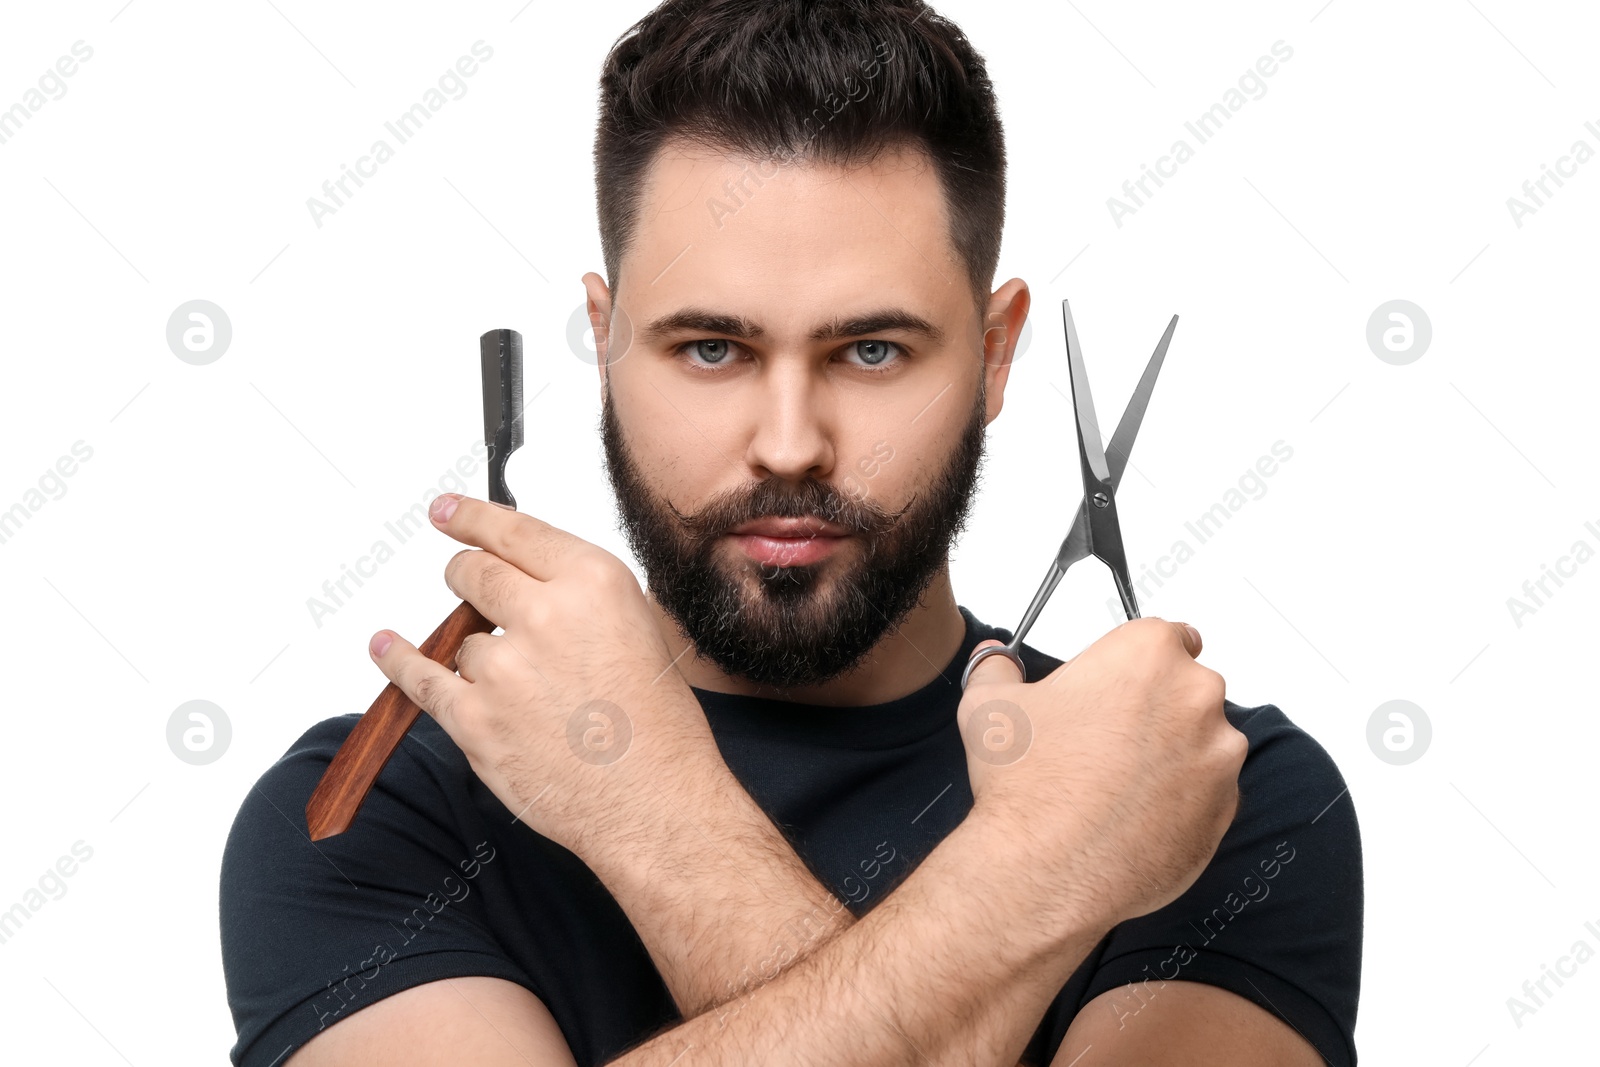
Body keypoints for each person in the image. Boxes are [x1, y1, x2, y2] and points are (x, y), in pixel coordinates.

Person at [219, 1, 1362, 1064]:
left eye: (871, 351)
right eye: (710, 347)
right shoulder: (376, 813)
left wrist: (656, 808)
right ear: (605, 341)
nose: (788, 444)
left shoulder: (1214, 787)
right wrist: (1036, 873)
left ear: (995, 353)